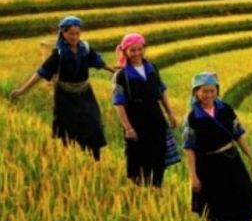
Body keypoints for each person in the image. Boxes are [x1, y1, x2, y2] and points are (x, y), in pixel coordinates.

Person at [9, 16, 114, 161]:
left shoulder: (85, 48)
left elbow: (98, 62)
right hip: (65, 96)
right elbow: (41, 73)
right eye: (70, 34)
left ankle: (95, 159)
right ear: (63, 33)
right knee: (70, 129)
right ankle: (73, 159)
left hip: (85, 94)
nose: (74, 37)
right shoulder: (59, 53)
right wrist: (22, 90)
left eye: (77, 33)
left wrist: (114, 71)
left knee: (93, 123)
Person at [183, 72, 252, 221]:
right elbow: (189, 148)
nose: (208, 95)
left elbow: (238, 134)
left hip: (231, 160)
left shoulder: (225, 109)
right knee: (217, 204)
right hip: (209, 166)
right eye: (204, 91)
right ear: (196, 92)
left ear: (217, 91)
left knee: (244, 196)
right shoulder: (192, 117)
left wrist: (251, 157)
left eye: (212, 91)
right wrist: (193, 175)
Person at [111, 33, 178, 187]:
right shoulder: (121, 75)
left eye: (139, 49)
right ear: (125, 52)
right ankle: (140, 190)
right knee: (139, 156)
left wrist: (170, 114)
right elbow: (119, 104)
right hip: (135, 118)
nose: (137, 53)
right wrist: (128, 128)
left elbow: (161, 92)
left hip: (155, 115)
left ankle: (157, 187)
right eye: (132, 50)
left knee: (158, 153)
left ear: (144, 49)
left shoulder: (152, 68)